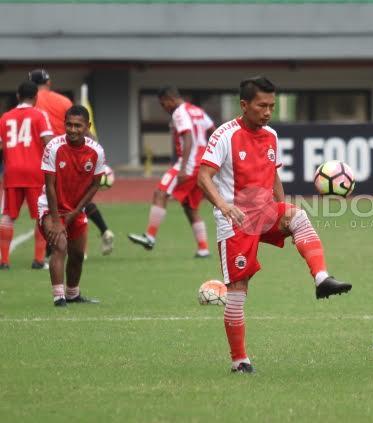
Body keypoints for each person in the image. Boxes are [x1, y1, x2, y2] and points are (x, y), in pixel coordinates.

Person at [197, 76, 352, 373]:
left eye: (272, 106)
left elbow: (273, 174)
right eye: (261, 106)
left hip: (264, 212)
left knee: (298, 215)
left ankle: (322, 279)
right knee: (238, 289)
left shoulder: (271, 135)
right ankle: (239, 360)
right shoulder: (224, 135)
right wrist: (224, 206)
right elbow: (204, 177)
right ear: (244, 105)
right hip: (235, 221)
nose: (268, 112)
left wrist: (282, 209)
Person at [29, 69, 114, 256]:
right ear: (49, 83)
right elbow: (84, 129)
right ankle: (87, 242)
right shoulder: (63, 101)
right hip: (75, 155)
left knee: (46, 205)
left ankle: (45, 254)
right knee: (76, 200)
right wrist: (97, 155)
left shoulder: (32, 103)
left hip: (47, 156)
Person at [128, 86, 215, 257]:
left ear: (170, 99)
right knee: (190, 207)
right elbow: (213, 130)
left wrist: (183, 168)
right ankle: (203, 249)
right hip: (203, 163)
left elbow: (188, 137)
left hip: (188, 163)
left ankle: (150, 236)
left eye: (163, 104)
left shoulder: (179, 112)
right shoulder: (197, 110)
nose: (164, 108)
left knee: (160, 193)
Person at [39, 105, 105, 306]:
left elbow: (95, 185)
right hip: (51, 208)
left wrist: (76, 212)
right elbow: (50, 186)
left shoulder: (97, 152)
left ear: (88, 126)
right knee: (60, 246)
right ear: (64, 124)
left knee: (77, 254)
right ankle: (59, 297)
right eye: (69, 124)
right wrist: (58, 220)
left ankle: (73, 294)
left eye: (78, 125)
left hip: (76, 209)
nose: (73, 129)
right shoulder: (53, 147)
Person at [0, 81, 54, 269]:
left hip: (12, 172)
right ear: (36, 97)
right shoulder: (40, 115)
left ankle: (4, 260)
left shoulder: (5, 117)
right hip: (35, 173)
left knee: (8, 215)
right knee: (42, 215)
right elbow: (48, 141)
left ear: (17, 96)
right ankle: (38, 260)